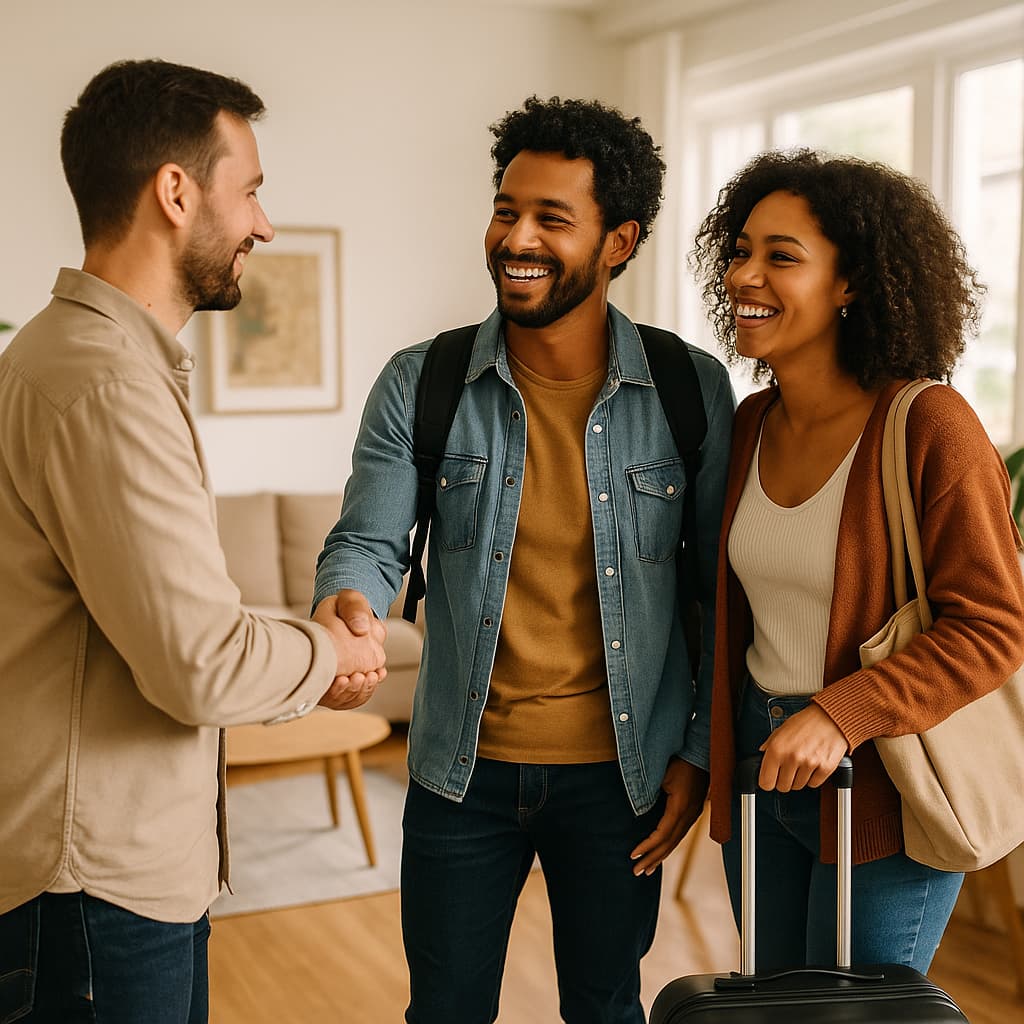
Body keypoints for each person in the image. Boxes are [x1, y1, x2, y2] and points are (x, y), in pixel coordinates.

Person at [313, 95, 735, 1023]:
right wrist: (349, 604)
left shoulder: (688, 389)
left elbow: (717, 595)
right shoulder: (422, 380)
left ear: (619, 241)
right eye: (508, 209)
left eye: (552, 217)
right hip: (459, 776)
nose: (517, 237)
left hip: (621, 779)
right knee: (446, 1011)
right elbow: (368, 541)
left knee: (604, 1007)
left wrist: (699, 754)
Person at [0, 59, 387, 1024]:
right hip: (94, 892)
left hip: (91, 882)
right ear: (175, 192)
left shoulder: (77, 359)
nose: (264, 221)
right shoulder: (103, 384)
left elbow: (169, 624)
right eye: (249, 188)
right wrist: (330, 650)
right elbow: (201, 664)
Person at [690, 148, 1024, 972]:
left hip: (886, 779)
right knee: (770, 1006)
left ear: (851, 283)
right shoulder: (749, 424)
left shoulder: (930, 425)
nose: (746, 276)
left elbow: (993, 626)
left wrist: (845, 713)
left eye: (782, 257)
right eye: (740, 251)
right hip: (761, 770)